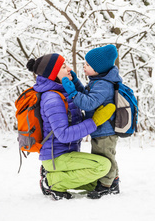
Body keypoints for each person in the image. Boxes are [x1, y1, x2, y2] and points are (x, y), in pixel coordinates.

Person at [26, 53, 116, 201]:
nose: (69, 68)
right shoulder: (52, 98)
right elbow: (63, 135)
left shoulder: (62, 91)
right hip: (57, 157)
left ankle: (52, 175)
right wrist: (95, 121)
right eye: (63, 66)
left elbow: (84, 97)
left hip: (67, 154)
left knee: (99, 182)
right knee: (103, 166)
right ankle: (52, 182)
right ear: (53, 73)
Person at [62, 44, 122, 199]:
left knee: (105, 157)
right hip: (100, 129)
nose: (84, 66)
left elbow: (88, 103)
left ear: (98, 69)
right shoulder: (98, 80)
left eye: (88, 65)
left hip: (105, 130)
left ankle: (106, 186)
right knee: (105, 155)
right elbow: (87, 94)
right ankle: (113, 181)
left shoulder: (103, 85)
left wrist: (72, 93)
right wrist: (75, 83)